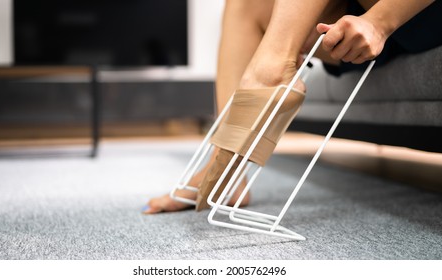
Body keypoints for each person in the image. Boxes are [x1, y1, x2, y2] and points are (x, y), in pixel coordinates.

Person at [143, 0, 442, 214]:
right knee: (245, 4)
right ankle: (226, 171)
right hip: (359, 20)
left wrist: (378, 21)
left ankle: (273, 67)